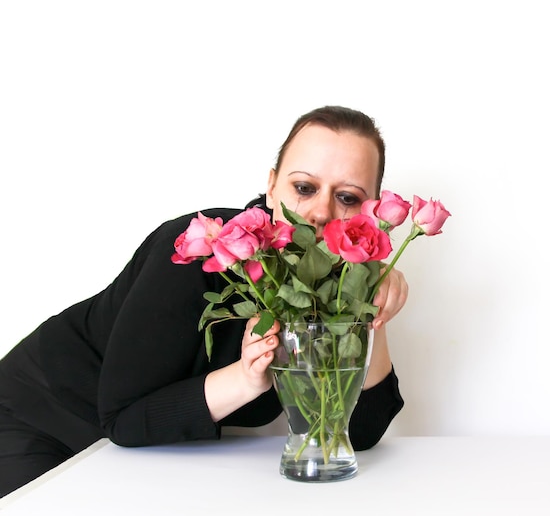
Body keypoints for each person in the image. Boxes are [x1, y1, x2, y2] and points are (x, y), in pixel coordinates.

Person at [0, 105, 407, 497]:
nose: (320, 211)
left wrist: (373, 303)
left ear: (372, 209)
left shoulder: (337, 285)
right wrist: (247, 379)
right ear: (271, 185)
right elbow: (122, 419)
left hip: (134, 455)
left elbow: (360, 433)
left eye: (349, 198)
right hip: (36, 412)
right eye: (304, 188)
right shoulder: (204, 248)